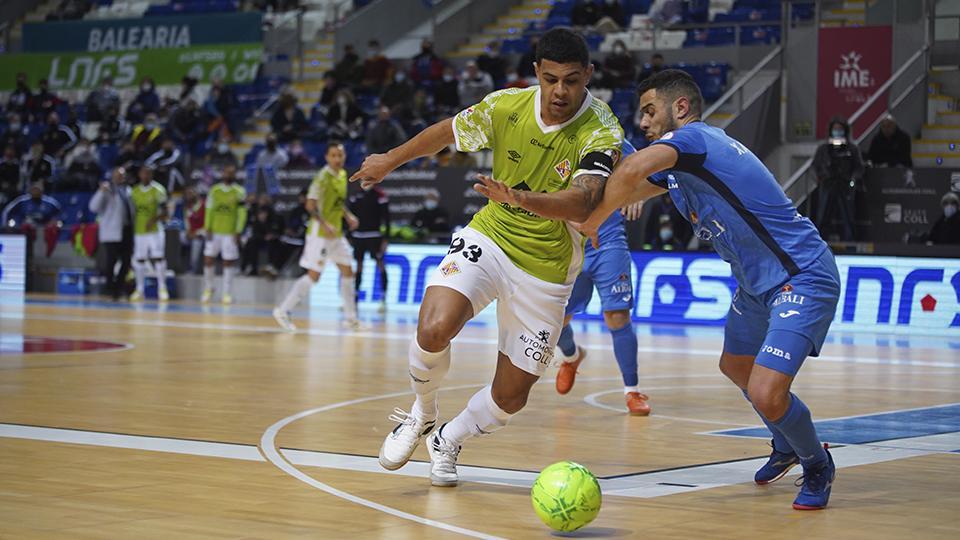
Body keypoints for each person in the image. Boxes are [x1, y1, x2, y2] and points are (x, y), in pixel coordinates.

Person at [351, 28, 623, 487]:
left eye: (572, 81)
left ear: (588, 76)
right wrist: (390, 160)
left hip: (547, 268)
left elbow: (582, 201)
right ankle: (422, 414)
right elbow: (447, 132)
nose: (560, 91)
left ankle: (448, 439)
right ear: (536, 73)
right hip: (492, 236)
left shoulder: (601, 129)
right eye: (551, 78)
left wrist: (520, 198)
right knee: (433, 328)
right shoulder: (505, 106)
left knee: (511, 397)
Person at [575, 69, 839, 510]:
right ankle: (787, 443)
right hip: (756, 286)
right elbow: (630, 177)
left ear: (681, 109)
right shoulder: (680, 166)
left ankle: (817, 463)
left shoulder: (696, 139)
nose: (643, 121)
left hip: (802, 276)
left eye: (649, 110)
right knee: (735, 366)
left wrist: (593, 218)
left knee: (766, 391)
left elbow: (634, 169)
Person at [552, 141, 649, 415]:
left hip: (608, 240)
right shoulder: (550, 142)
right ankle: (571, 357)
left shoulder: (607, 133)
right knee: (556, 319)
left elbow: (643, 164)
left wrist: (639, 192)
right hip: (570, 243)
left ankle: (633, 391)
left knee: (617, 316)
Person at [273, 143, 361, 331]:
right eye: (333, 155)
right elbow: (310, 205)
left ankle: (351, 318)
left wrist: (348, 216)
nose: (337, 159)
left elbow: (338, 203)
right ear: (327, 157)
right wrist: (324, 223)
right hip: (320, 234)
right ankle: (283, 310)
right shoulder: (322, 177)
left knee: (348, 271)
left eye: (340, 155)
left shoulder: (343, 175)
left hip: (336, 233)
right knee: (314, 276)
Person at [201, 164, 247, 304]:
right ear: (222, 174)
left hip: (229, 232)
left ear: (235, 175)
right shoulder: (214, 191)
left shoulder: (239, 192)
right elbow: (209, 210)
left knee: (228, 262)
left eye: (231, 173)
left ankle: (227, 293)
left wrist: (238, 230)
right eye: (226, 172)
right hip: (214, 231)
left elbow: (242, 213)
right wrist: (207, 227)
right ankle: (209, 288)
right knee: (208, 259)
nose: (228, 175)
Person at [812, 117, 863, 242]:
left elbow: (859, 167)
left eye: (840, 129)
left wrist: (853, 179)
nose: (837, 131)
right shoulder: (823, 149)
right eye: (835, 129)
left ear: (845, 131)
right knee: (823, 215)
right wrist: (820, 177)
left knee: (848, 216)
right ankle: (820, 242)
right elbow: (814, 166)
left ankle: (850, 241)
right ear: (830, 131)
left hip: (845, 185)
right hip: (827, 183)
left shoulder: (852, 148)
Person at [89, 167, 134, 300]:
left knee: (126, 262)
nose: (121, 178)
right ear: (112, 176)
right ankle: (110, 289)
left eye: (123, 175)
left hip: (127, 230)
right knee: (111, 262)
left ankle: (118, 287)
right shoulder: (107, 190)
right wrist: (101, 192)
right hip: (112, 232)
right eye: (118, 175)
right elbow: (93, 207)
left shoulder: (128, 190)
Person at [130, 165, 170, 301]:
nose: (145, 176)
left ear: (151, 175)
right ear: (139, 175)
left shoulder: (158, 190)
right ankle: (139, 289)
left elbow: (166, 212)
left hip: (155, 231)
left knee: (158, 258)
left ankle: (162, 288)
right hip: (139, 231)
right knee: (139, 259)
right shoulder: (134, 192)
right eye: (143, 173)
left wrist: (153, 219)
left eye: (148, 173)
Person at [349, 185, 390, 311]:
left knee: (380, 263)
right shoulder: (355, 195)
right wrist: (349, 235)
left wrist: (386, 239)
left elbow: (387, 218)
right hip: (358, 235)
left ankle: (383, 299)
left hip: (374, 235)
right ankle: (354, 297)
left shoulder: (380, 195)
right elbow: (349, 216)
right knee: (359, 265)